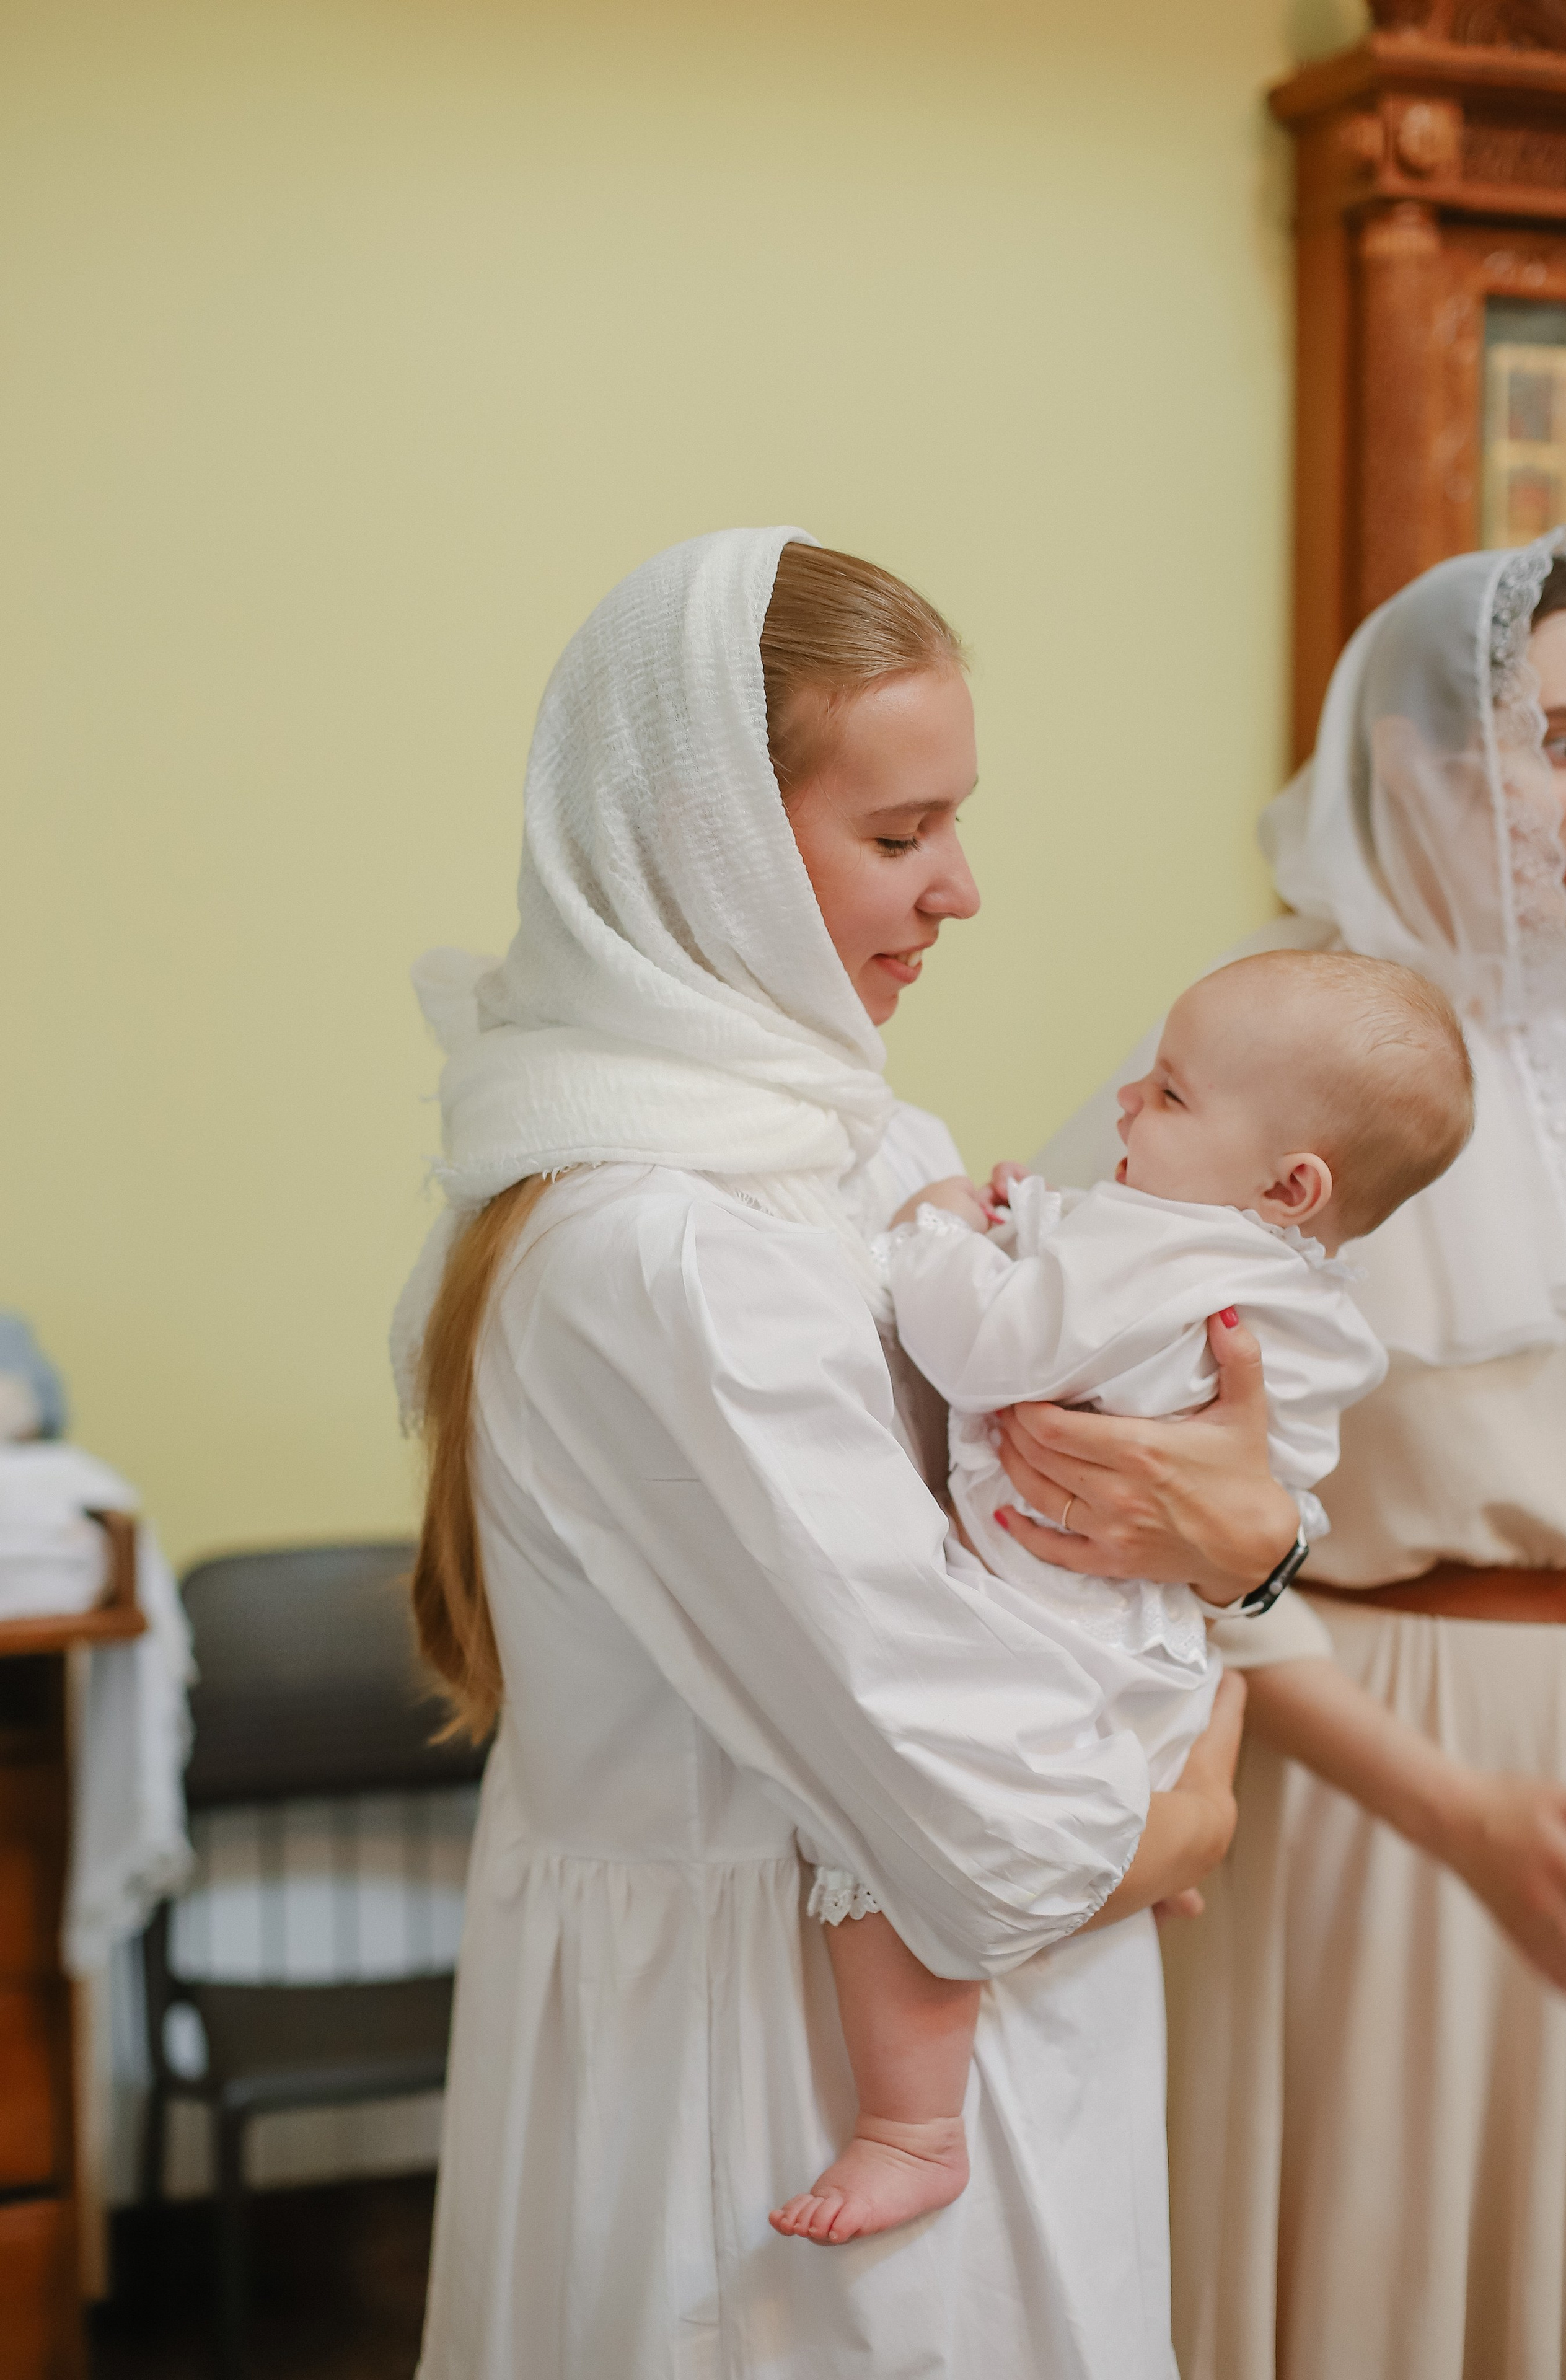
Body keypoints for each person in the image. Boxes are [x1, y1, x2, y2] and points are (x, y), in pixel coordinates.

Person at [395, 529, 1296, 2380]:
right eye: (898, 834)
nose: (961, 888)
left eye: (952, 822)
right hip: (774, 2075)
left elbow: (1054, 1551)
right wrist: (1191, 1804)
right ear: (707, 842)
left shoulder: (854, 1146)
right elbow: (975, 1803)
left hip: (946, 2011)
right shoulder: (663, 1250)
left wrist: (1233, 1544)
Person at [1033, 529, 1566, 2380]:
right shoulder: (1269, 1055)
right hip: (1374, 1758)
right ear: (1418, 761)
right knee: (1378, 2257)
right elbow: (1136, 1507)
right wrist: (1450, 1811)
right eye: (1565, 745)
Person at [772, 948, 1474, 2247]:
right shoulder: (1298, 1296)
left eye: (1169, 1094)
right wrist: (1034, 1224)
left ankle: (911, 2127)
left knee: (886, 1852)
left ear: (1288, 1183)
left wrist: (936, 1229)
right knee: (1068, 1840)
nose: (1126, 1104)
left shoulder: (1168, 1253)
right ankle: (1137, 1849)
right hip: (1148, 1645)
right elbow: (1244, 1453)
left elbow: (988, 1343)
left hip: (1050, 1632)